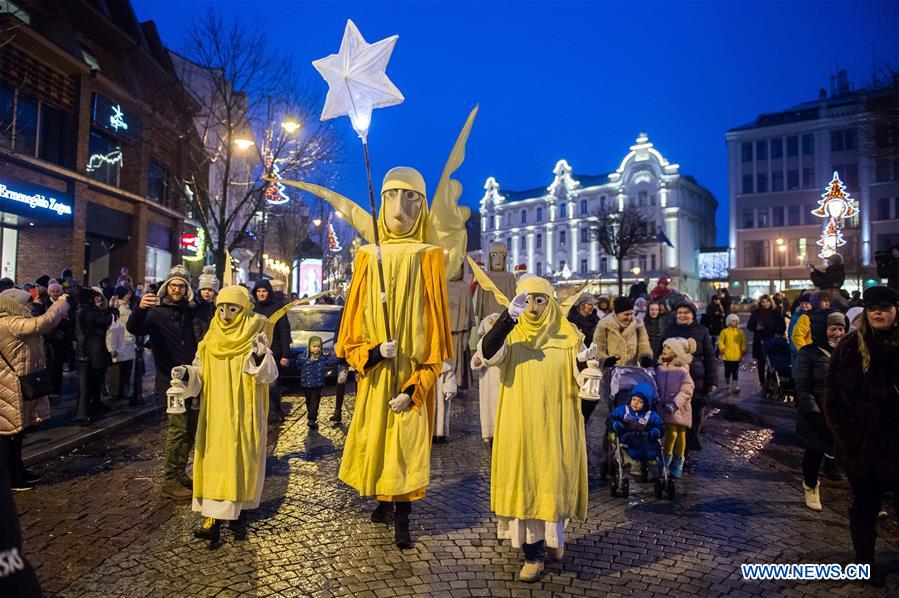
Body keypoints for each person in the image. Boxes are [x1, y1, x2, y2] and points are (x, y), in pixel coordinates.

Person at [336, 167, 453, 550]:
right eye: (391, 196)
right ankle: (384, 502)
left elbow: (435, 336)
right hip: (376, 374)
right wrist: (371, 353)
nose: (399, 207)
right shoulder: (368, 256)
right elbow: (352, 327)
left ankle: (403, 516)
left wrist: (417, 386)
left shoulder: (429, 256)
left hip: (409, 373)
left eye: (410, 197)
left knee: (406, 445)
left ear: (422, 205)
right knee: (379, 440)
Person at [478, 276, 589, 583]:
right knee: (527, 483)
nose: (533, 307)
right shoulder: (511, 335)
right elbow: (487, 353)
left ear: (551, 302)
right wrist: (507, 319)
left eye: (540, 300)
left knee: (554, 483)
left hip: (557, 425)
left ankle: (554, 538)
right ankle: (533, 555)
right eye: (527, 300)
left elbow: (584, 377)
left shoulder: (569, 335)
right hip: (521, 426)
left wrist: (591, 365)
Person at [170, 284, 278, 548]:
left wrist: (260, 356)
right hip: (215, 413)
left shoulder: (255, 332)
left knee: (240, 460)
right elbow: (199, 371)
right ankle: (212, 520)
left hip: (244, 411)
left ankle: (237, 512)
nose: (226, 315)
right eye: (221, 309)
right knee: (215, 462)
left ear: (244, 309)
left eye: (233, 309)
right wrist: (186, 374)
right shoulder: (211, 338)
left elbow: (268, 374)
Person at [824, 285, 899, 585]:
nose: (878, 313)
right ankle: (864, 565)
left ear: (896, 310)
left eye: (884, 308)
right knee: (866, 509)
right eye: (872, 308)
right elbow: (833, 401)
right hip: (864, 451)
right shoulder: (850, 348)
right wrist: (852, 442)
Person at [127, 265, 199, 501]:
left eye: (181, 286)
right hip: (170, 381)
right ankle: (170, 480)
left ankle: (179, 472)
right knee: (178, 429)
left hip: (193, 378)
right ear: (167, 287)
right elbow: (134, 327)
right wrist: (139, 308)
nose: (176, 289)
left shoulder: (190, 311)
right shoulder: (155, 313)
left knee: (190, 429)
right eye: (173, 285)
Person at [0, 288, 69, 491]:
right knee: (7, 433)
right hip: (8, 384)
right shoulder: (9, 323)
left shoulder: (15, 321)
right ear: (16, 305)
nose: (31, 306)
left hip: (19, 382)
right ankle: (9, 478)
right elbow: (44, 322)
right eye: (28, 302)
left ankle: (18, 470)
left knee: (18, 431)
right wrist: (62, 303)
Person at [795, 310, 845, 512]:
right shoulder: (808, 353)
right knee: (814, 452)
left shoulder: (847, 352)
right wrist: (813, 413)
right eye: (833, 329)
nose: (838, 334)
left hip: (841, 415)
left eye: (841, 329)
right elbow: (802, 386)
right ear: (822, 330)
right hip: (816, 413)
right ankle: (810, 485)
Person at [659, 302, 718, 451]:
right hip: (673, 380)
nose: (683, 315)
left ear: (693, 315)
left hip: (697, 381)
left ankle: (687, 449)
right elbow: (659, 353)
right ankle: (675, 450)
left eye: (686, 312)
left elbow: (710, 357)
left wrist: (712, 381)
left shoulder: (702, 331)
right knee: (674, 417)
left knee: (695, 416)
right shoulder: (669, 330)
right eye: (680, 312)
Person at [590, 297, 653, 422]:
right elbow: (597, 347)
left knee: (632, 406)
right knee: (616, 407)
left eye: (631, 314)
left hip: (633, 372)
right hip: (612, 373)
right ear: (617, 313)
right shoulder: (604, 325)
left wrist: (645, 356)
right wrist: (605, 359)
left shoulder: (638, 324)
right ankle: (614, 431)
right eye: (626, 314)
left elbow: (643, 343)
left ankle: (627, 430)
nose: (630, 317)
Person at [656, 337, 695, 478]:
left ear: (676, 351)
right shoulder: (660, 368)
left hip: (679, 408)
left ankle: (677, 464)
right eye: (664, 347)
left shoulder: (682, 371)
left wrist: (675, 403)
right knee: (670, 433)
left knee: (679, 434)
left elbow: (687, 389)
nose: (664, 350)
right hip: (664, 407)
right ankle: (665, 462)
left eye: (668, 347)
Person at [252, 279, 291, 421]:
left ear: (269, 292)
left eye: (264, 291)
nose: (261, 294)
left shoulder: (277, 309)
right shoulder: (252, 309)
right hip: (256, 352)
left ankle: (275, 410)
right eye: (259, 291)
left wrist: (285, 354)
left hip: (274, 351)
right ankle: (260, 412)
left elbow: (284, 332)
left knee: (272, 384)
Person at [78, 287, 113, 418]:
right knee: (91, 380)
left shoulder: (91, 310)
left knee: (98, 379)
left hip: (97, 349)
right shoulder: (87, 311)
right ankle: (88, 407)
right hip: (93, 350)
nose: (98, 298)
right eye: (95, 296)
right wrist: (113, 310)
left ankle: (96, 403)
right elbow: (104, 322)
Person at [470, 313, 501, 444]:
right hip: (488, 381)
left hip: (501, 381)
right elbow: (475, 361)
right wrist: (477, 361)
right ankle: (490, 433)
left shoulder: (506, 342)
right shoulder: (483, 344)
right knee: (489, 408)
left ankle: (501, 432)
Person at [296, 336, 337, 430]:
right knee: (309, 400)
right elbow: (298, 364)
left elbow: (331, 362)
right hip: (306, 383)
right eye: (314, 346)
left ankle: (312, 419)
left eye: (318, 346)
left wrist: (334, 354)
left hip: (318, 384)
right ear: (309, 346)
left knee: (315, 400)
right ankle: (311, 416)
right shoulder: (303, 357)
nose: (316, 349)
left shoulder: (322, 358)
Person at [43, 282, 74, 398]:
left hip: (61, 338)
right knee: (48, 365)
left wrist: (58, 323)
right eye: (53, 291)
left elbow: (72, 320)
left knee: (58, 364)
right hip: (48, 339)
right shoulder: (44, 304)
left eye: (57, 291)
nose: (55, 293)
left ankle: (56, 389)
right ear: (49, 293)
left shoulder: (65, 304)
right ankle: (48, 389)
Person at [747, 294, 786, 388]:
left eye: (767, 302)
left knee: (772, 363)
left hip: (772, 341)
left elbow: (782, 325)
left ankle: (771, 382)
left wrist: (777, 334)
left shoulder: (775, 312)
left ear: (770, 302)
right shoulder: (756, 312)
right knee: (761, 363)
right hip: (760, 340)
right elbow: (749, 325)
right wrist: (756, 327)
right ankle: (762, 383)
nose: (765, 304)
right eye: (763, 302)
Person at [106, 287, 136, 402]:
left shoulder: (127, 306)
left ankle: (123, 392)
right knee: (117, 370)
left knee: (126, 369)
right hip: (120, 341)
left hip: (128, 341)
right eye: (127, 293)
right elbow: (114, 327)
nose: (129, 295)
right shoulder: (117, 306)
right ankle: (115, 393)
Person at [718, 313, 747, 394]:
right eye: (733, 321)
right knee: (727, 371)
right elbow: (720, 341)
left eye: (737, 321)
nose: (736, 323)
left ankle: (734, 386)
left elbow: (743, 342)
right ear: (729, 322)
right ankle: (727, 383)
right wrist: (722, 348)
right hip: (727, 356)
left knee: (735, 371)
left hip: (737, 356)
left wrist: (743, 350)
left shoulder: (740, 332)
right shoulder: (724, 332)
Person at [193, 265, 219, 341]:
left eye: (210, 290)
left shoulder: (217, 308)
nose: (206, 292)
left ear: (215, 292)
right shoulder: (194, 306)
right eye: (204, 289)